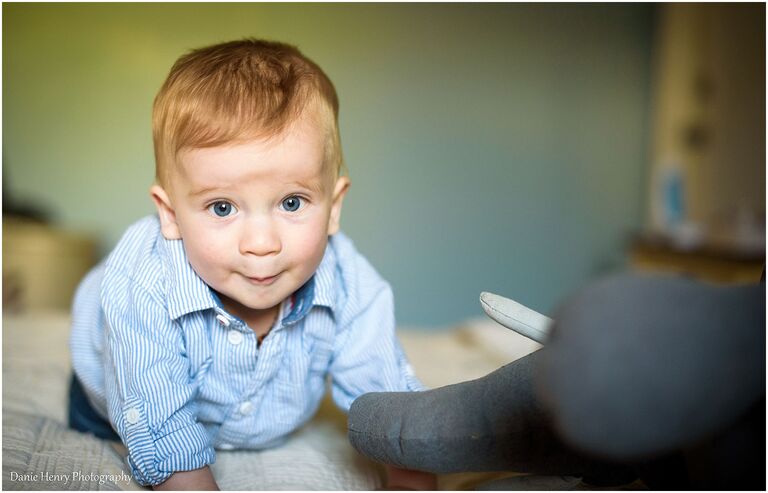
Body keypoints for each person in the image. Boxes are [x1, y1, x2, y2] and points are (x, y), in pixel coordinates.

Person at [68, 38, 436, 491]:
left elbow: (382, 385)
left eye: (292, 201)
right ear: (171, 214)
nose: (261, 244)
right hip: (118, 390)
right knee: (126, 419)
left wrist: (410, 472)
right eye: (222, 208)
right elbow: (153, 408)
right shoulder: (144, 283)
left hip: (264, 414)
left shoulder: (349, 278)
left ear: (334, 205)